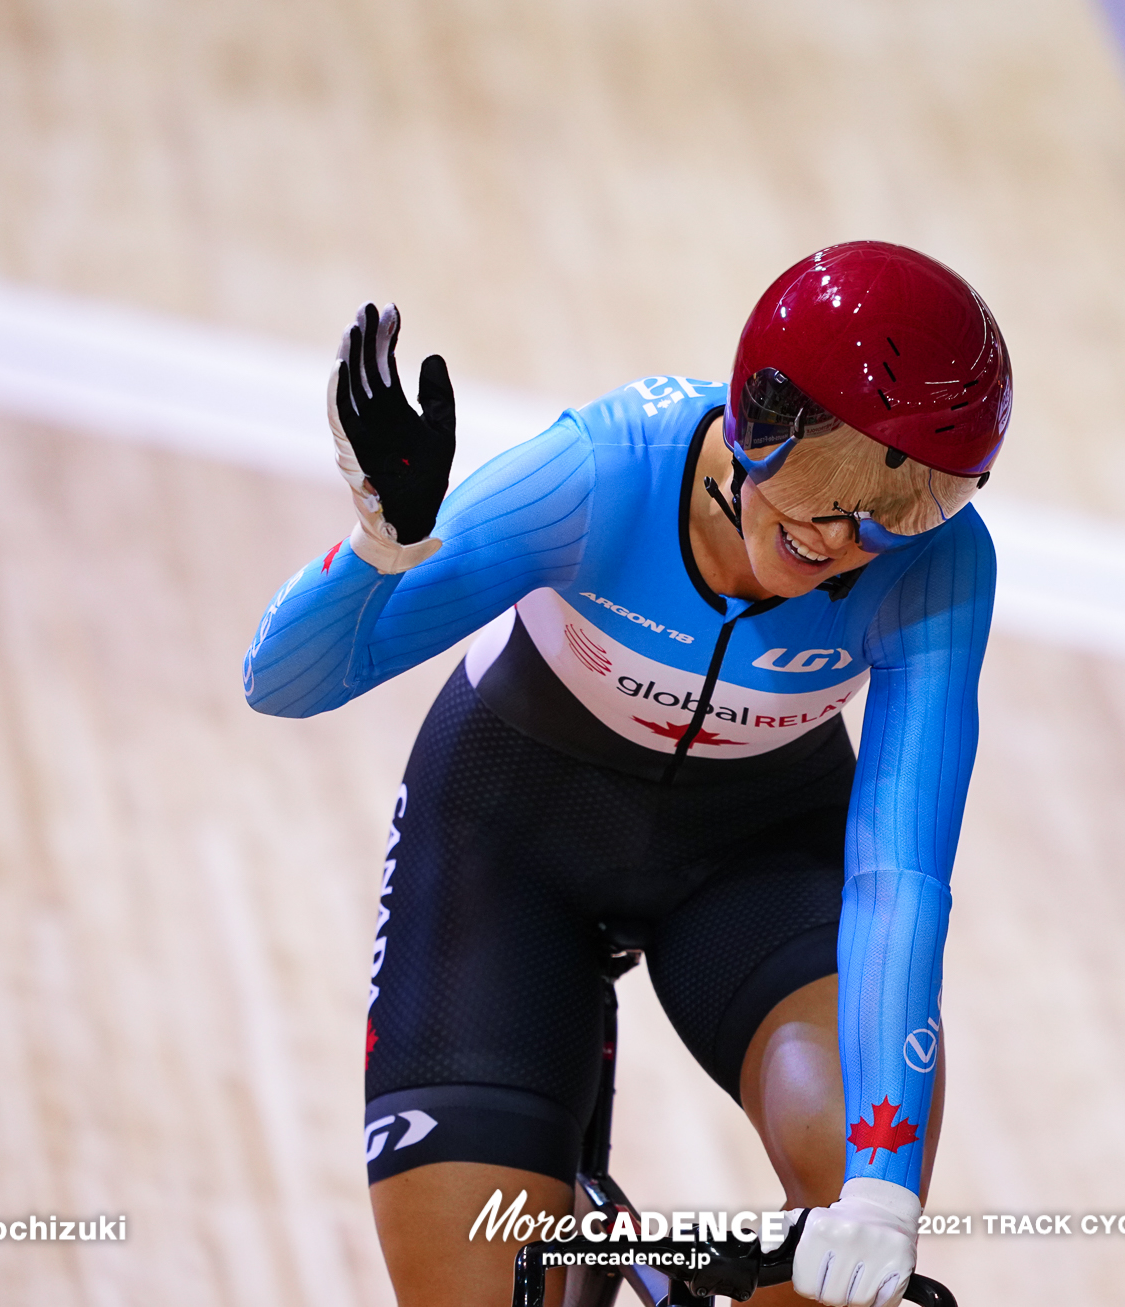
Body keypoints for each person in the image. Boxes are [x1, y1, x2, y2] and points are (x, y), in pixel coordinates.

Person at [244, 241, 1009, 1307]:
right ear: (757, 413)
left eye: (911, 503)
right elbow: (285, 683)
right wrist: (382, 545)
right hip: (511, 831)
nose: (848, 534)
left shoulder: (938, 569)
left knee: (850, 1239)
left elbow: (900, 880)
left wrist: (880, 1196)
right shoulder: (604, 471)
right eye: (828, 481)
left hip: (759, 856)